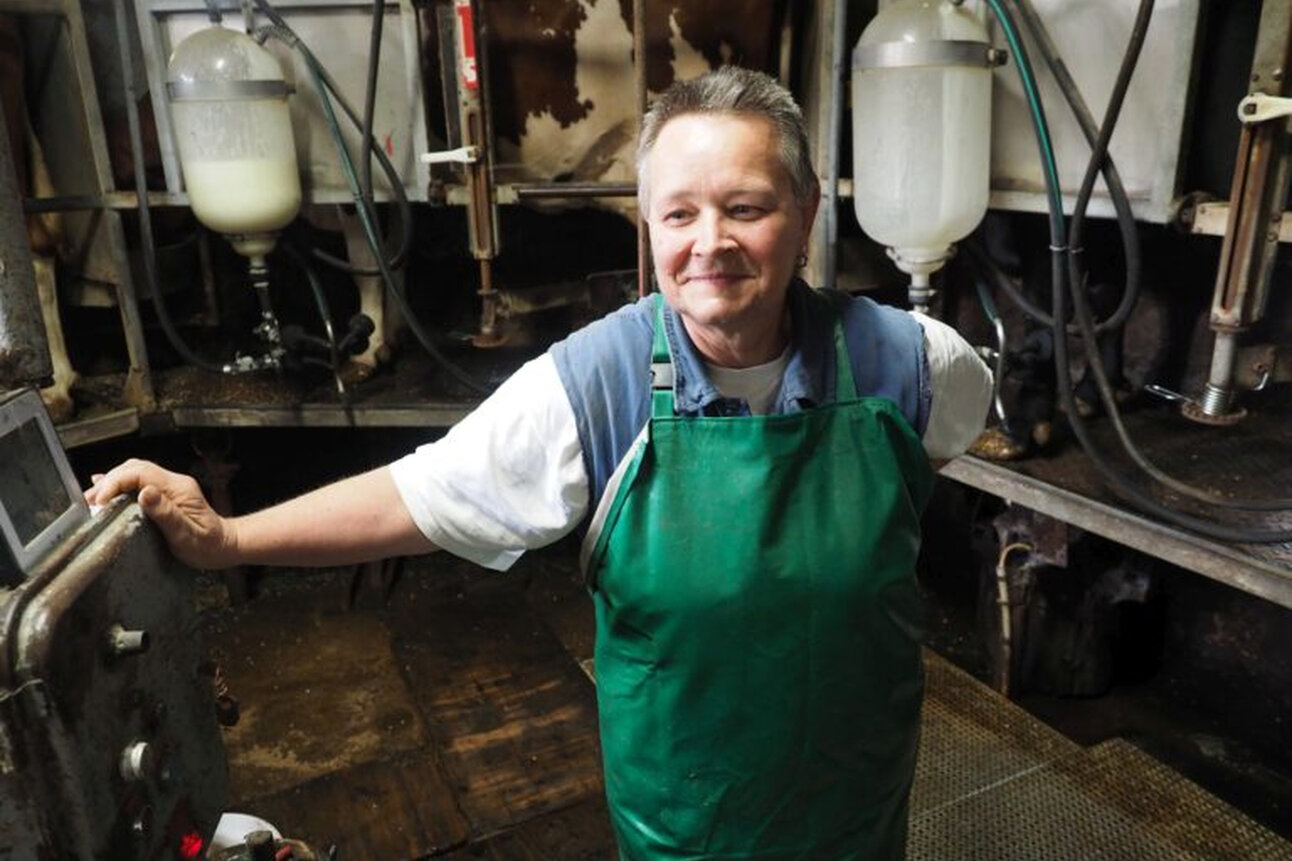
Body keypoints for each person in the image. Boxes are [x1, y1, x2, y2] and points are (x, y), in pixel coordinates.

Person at [87, 67, 992, 860]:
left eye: (746, 207)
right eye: (679, 212)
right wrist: (231, 537)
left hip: (858, 816)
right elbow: (423, 492)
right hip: (692, 827)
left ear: (804, 215)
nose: (708, 240)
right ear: (649, 225)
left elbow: (930, 459)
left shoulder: (911, 365)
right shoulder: (599, 385)